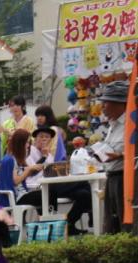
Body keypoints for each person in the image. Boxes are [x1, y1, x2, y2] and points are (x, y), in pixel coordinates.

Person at [13, 128, 92, 235]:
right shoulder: (29, 151)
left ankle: (68, 224)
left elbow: (52, 172)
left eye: (47, 137)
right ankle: (90, 213)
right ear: (35, 139)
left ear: (50, 140)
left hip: (51, 184)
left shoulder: (49, 154)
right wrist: (44, 157)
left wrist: (47, 156)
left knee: (84, 194)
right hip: (37, 186)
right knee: (83, 183)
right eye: (41, 136)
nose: (44, 139)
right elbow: (32, 171)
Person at [97, 80, 129, 234]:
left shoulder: (132, 124)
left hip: (127, 179)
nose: (102, 106)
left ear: (120, 104)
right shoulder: (112, 125)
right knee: (111, 224)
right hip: (111, 177)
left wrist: (120, 155)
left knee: (126, 223)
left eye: (106, 102)